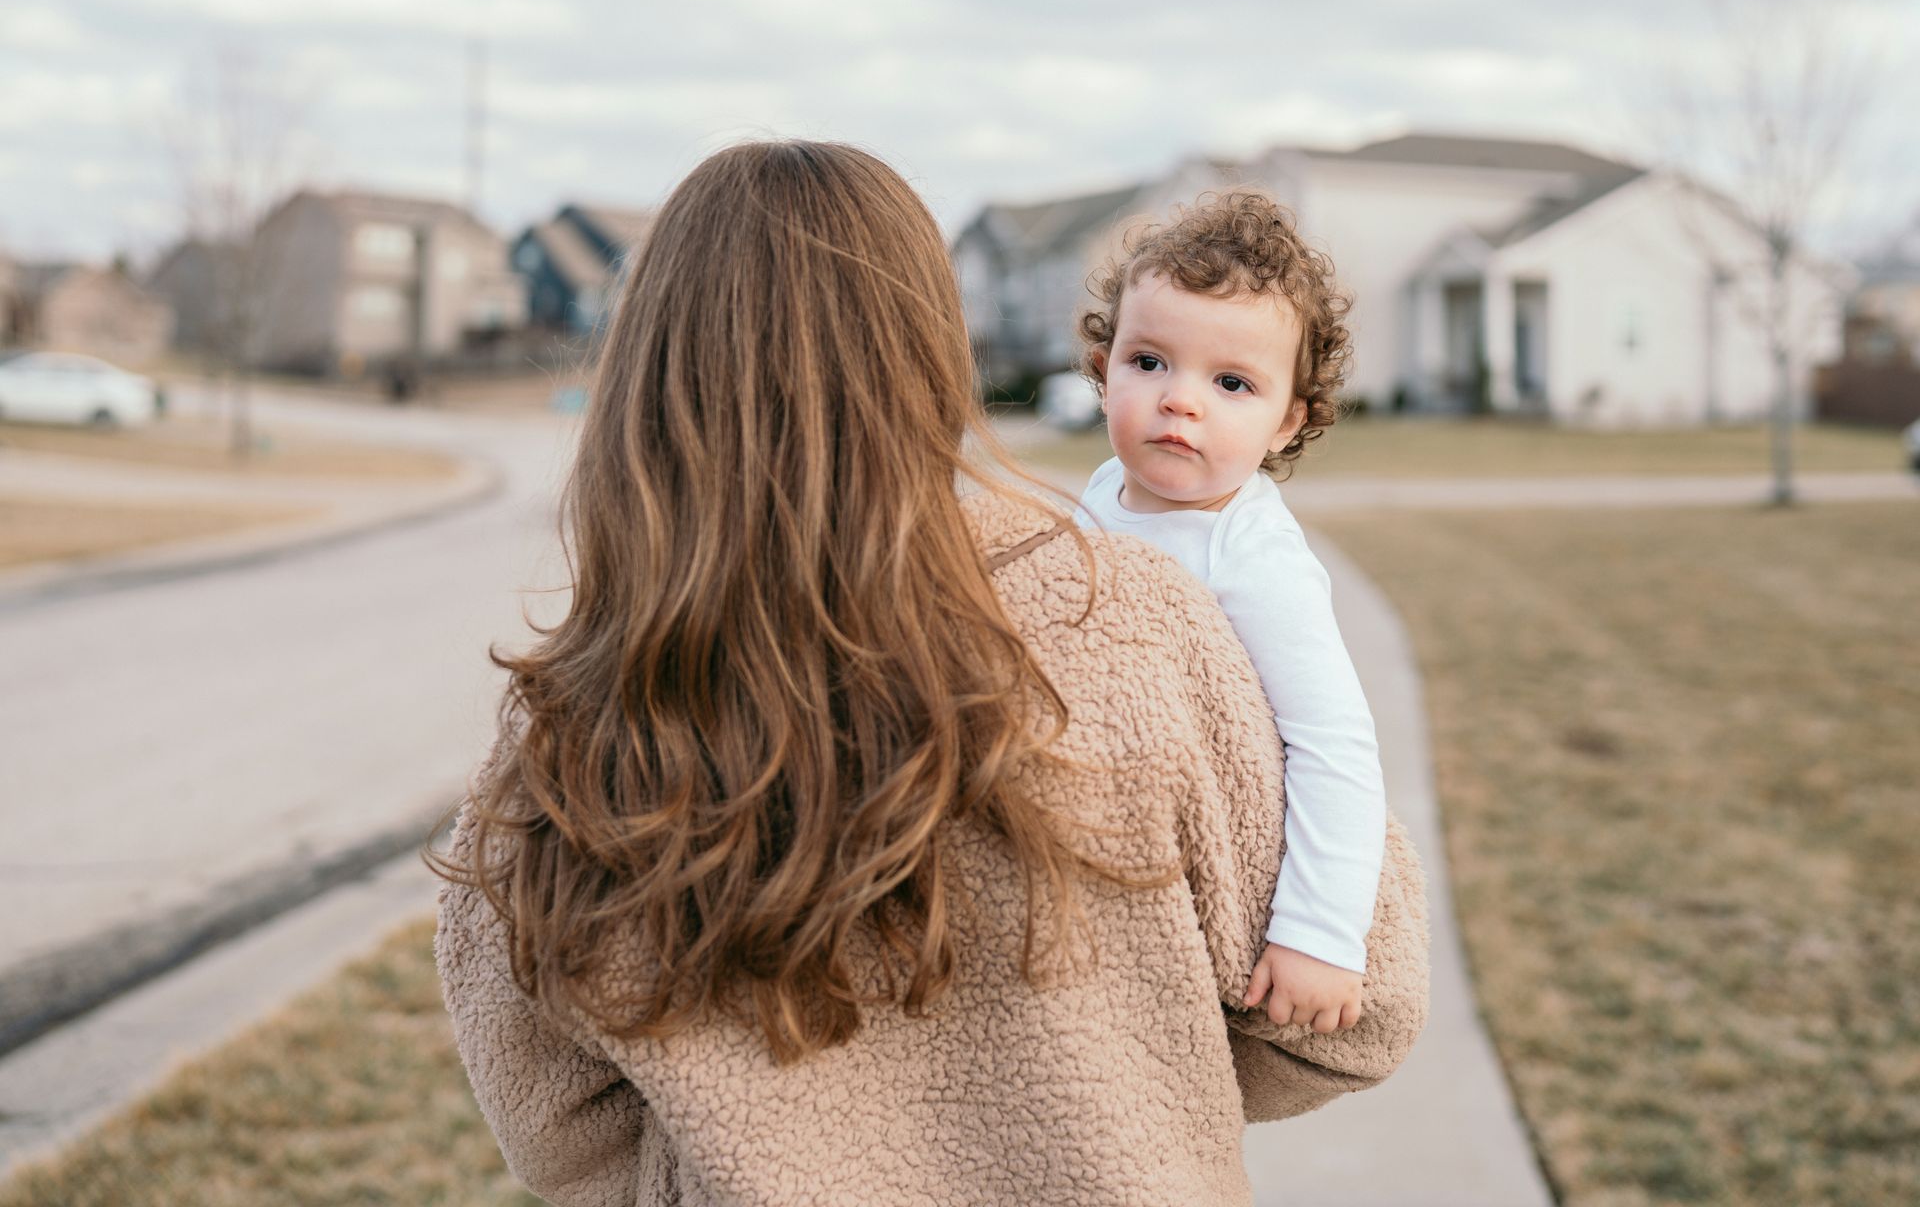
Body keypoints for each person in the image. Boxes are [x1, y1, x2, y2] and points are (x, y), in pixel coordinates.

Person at [431, 140, 1430, 1207]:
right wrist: (1123, 1092)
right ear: (929, 345)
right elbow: (1360, 1011)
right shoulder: (1130, 622)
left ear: (646, 368)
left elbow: (552, 1124)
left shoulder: (565, 725)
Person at [1073, 191, 1385, 1041]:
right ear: (1104, 371)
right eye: (1148, 362)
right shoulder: (1101, 494)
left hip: (1192, 871)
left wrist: (1321, 933)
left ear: (1287, 423)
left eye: (1231, 382)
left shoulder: (1250, 555)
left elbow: (1334, 742)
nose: (1180, 401)